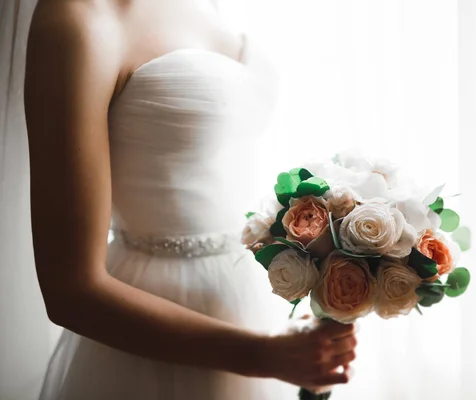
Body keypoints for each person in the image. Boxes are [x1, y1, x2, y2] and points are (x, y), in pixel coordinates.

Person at [24, 0, 357, 398]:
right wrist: (261, 356)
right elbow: (71, 291)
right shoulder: (78, 15)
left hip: (249, 305)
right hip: (154, 322)